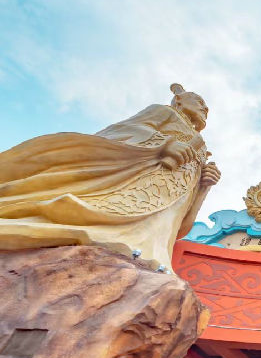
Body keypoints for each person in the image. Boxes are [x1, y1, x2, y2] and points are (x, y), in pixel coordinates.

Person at [0, 84, 220, 268]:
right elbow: (121, 130)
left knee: (147, 259)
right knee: (76, 220)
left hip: (159, 217)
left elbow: (179, 227)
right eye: (199, 101)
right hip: (131, 192)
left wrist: (204, 186)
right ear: (178, 100)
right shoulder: (166, 113)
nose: (205, 108)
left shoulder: (201, 149)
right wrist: (165, 143)